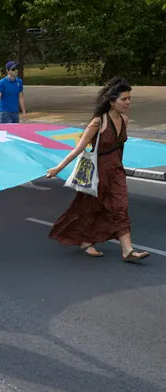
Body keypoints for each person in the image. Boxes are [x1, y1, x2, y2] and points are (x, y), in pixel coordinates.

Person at [46, 77, 149, 262]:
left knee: (120, 207)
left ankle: (127, 250)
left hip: (116, 172)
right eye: (124, 99)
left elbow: (119, 147)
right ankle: (85, 241)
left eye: (129, 98)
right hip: (97, 174)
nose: (128, 102)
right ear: (112, 102)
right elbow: (79, 149)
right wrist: (58, 168)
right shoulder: (98, 122)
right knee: (90, 208)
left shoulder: (125, 120)